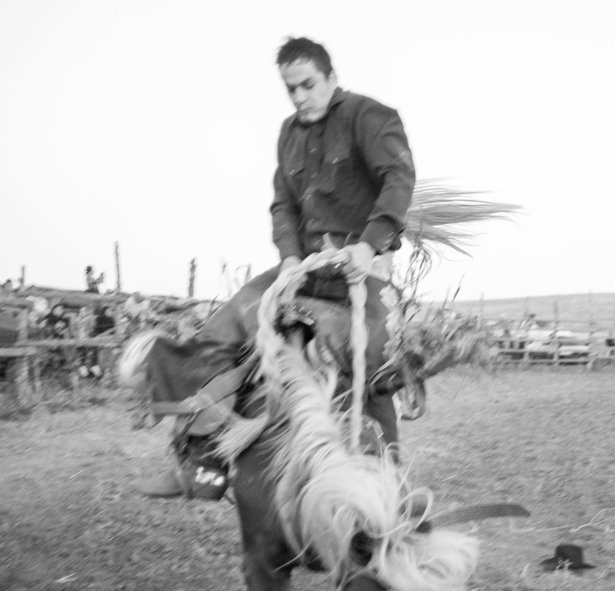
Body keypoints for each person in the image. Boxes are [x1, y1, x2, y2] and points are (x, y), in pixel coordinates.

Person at [134, 36, 416, 499]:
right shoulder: (289, 132)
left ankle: (393, 490)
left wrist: (368, 246)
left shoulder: (370, 116)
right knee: (225, 327)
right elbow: (283, 204)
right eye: (291, 89)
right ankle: (202, 461)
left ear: (331, 78)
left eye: (308, 85)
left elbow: (398, 177)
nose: (300, 96)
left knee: (374, 363)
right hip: (302, 269)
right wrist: (287, 257)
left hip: (359, 275)